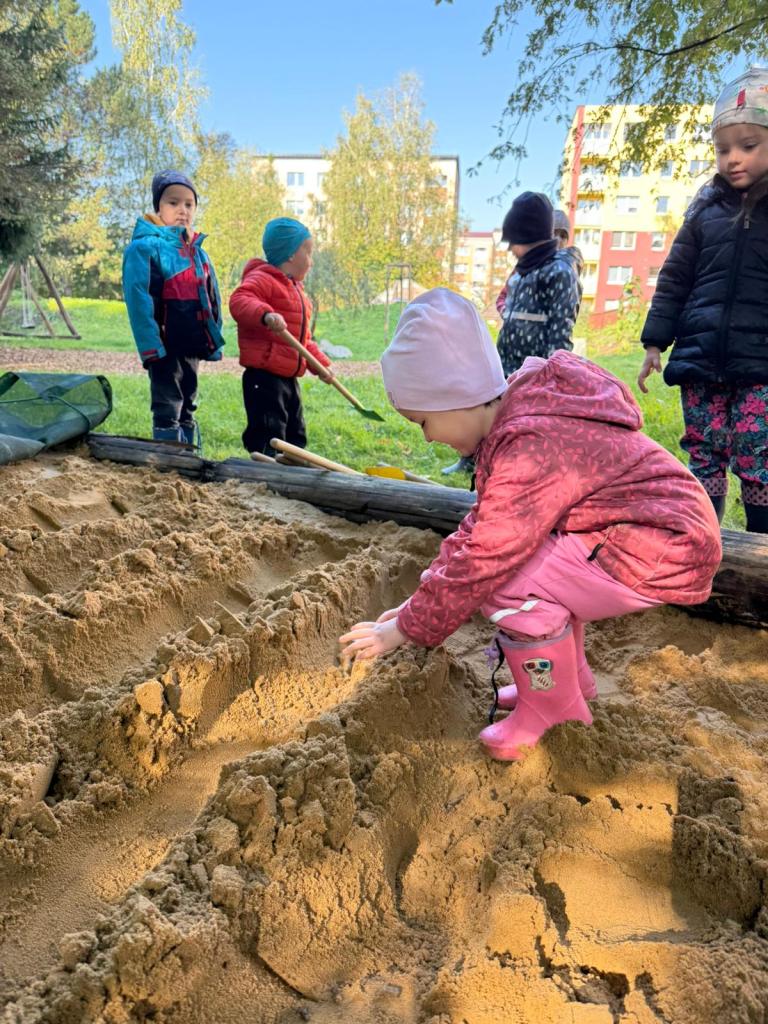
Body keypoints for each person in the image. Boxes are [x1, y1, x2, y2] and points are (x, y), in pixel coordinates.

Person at [340, 289, 721, 762]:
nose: (430, 438)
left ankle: (553, 708)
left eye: (423, 422)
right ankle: (569, 683)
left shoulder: (527, 447)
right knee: (534, 572)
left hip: (658, 545)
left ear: (455, 398)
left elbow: (485, 558)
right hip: (644, 530)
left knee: (508, 586)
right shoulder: (520, 414)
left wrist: (407, 629)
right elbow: (481, 526)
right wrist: (414, 606)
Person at [638, 66, 768, 534]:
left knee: (758, 455)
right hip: (700, 356)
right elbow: (675, 278)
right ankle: (702, 540)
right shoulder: (704, 210)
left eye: (748, 145)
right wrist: (655, 341)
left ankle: (761, 546)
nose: (733, 158)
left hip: (760, 364)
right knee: (704, 452)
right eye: (722, 149)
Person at [122, 169, 225, 445]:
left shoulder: (197, 252)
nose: (183, 210)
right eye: (173, 202)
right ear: (158, 207)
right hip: (164, 344)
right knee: (168, 401)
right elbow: (138, 300)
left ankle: (187, 452)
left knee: (189, 399)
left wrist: (212, 338)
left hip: (192, 341)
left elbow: (212, 296)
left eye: (189, 204)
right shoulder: (144, 248)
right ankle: (168, 453)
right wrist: (150, 346)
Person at [229, 217, 333, 455]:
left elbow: (302, 341)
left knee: (296, 434)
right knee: (269, 433)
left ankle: (293, 467)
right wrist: (266, 315)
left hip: (288, 378)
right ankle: (266, 469)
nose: (312, 261)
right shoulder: (262, 278)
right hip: (264, 377)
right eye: (308, 253)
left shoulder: (297, 291)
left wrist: (321, 366)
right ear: (291, 255)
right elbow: (239, 300)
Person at [494, 191, 581, 377]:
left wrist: (551, 379)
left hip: (534, 376)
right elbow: (505, 303)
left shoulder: (561, 272)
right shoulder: (522, 272)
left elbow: (561, 334)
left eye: (563, 235)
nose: (510, 248)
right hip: (506, 369)